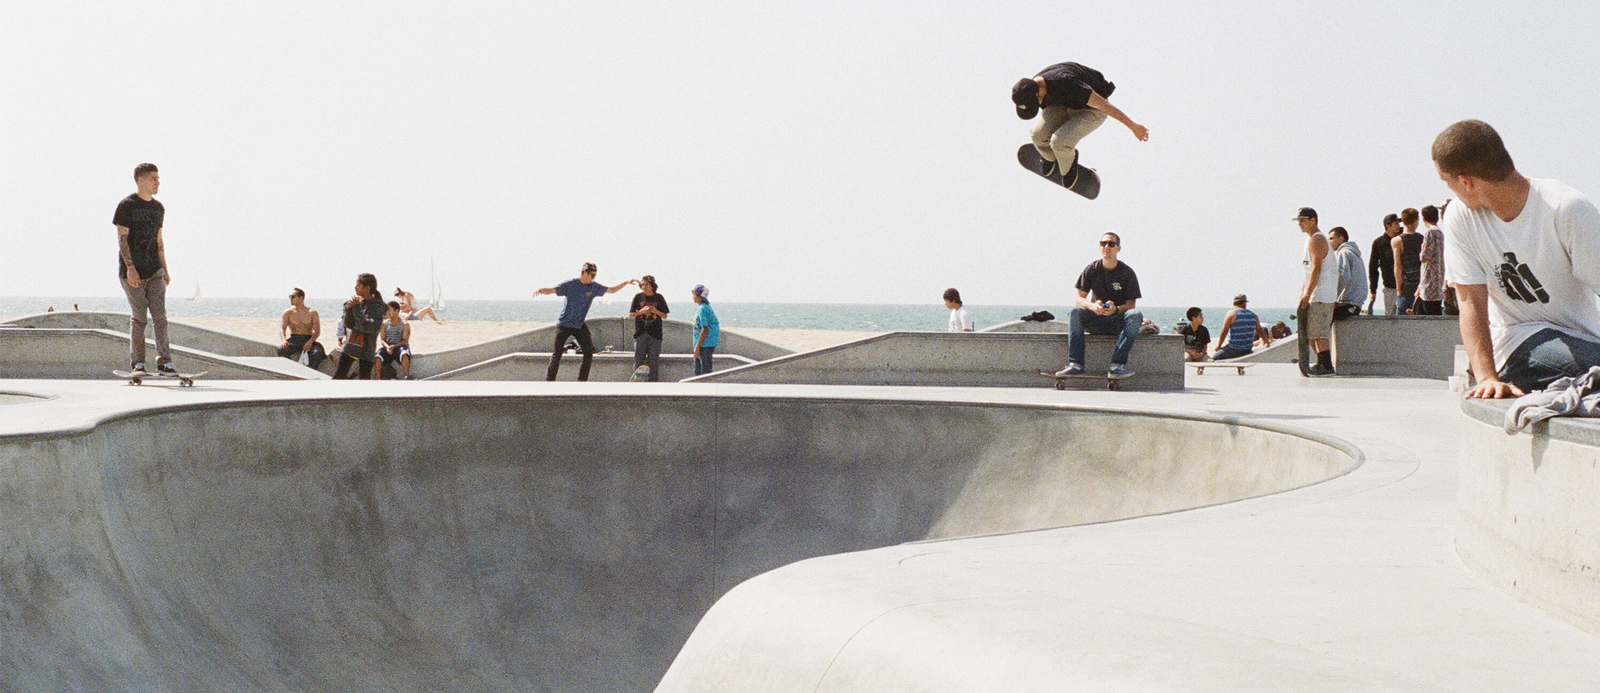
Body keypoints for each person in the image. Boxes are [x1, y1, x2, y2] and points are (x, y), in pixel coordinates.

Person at [1435, 119, 1600, 399]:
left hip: (1582, 342)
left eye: (1447, 182)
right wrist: (1487, 376)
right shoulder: (1460, 218)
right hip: (1515, 342)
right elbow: (1470, 302)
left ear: (1465, 181)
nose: (1450, 191)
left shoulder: (1566, 208)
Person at [1011, 62, 1149, 184]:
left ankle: (1068, 165)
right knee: (1037, 136)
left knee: (1059, 142)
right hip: (1065, 104)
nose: (1037, 106)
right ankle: (1050, 157)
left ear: (1040, 91)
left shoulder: (1067, 83)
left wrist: (1133, 126)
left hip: (1093, 109)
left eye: (1036, 103)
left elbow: (1104, 105)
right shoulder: (1032, 87)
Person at [114, 162, 176, 375]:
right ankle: (138, 363)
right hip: (133, 272)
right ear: (141, 180)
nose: (158, 182)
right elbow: (122, 239)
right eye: (154, 178)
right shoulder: (127, 205)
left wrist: (165, 269)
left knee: (160, 317)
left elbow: (159, 240)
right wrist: (130, 269)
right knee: (139, 317)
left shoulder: (158, 208)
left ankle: (165, 362)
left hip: (155, 270)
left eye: (158, 178)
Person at [1054, 232, 1142, 379]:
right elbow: (1079, 298)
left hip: (1116, 322)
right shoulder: (1092, 269)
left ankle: (1117, 366)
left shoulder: (1127, 273)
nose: (1106, 247)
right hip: (1095, 320)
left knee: (1135, 315)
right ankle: (1075, 364)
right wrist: (1092, 306)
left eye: (1111, 244)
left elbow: (1131, 304)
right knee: (1075, 311)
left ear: (1118, 248)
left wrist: (1116, 309)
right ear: (1099, 247)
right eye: (1103, 243)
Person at [535, 262, 635, 381]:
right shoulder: (570, 284)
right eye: (592, 275)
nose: (593, 278)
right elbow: (552, 290)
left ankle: (582, 380)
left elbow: (612, 290)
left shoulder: (593, 287)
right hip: (564, 325)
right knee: (557, 353)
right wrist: (541, 290)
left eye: (595, 276)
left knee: (588, 352)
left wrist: (626, 282)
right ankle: (550, 380)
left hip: (579, 325)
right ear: (584, 273)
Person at [1295, 207, 1337, 376]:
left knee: (1319, 333)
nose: (1300, 224)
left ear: (1313, 220)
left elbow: (1317, 269)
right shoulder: (1310, 240)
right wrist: (1303, 293)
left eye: (1303, 220)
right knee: (1312, 332)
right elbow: (1308, 271)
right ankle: (1321, 362)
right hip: (1316, 294)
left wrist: (1308, 293)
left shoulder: (1317, 240)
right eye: (1298, 220)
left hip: (1321, 294)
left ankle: (1326, 365)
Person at [333, 273, 387, 380]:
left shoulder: (378, 306)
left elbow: (366, 327)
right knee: (338, 377)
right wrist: (349, 309)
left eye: (358, 285)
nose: (355, 287)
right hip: (352, 345)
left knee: (364, 380)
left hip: (367, 348)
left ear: (367, 288)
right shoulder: (358, 303)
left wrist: (356, 308)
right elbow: (349, 324)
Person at [628, 275, 670, 382]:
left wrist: (655, 311)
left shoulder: (659, 298)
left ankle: (653, 384)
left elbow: (664, 315)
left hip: (655, 335)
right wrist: (642, 311)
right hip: (640, 334)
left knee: (654, 363)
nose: (644, 287)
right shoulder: (638, 297)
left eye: (647, 284)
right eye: (642, 284)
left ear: (652, 286)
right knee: (638, 361)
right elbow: (631, 314)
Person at [277, 288, 326, 369]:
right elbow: (282, 328)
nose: (291, 299)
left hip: (308, 338)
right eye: (290, 297)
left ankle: (311, 372)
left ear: (301, 298)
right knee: (281, 350)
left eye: (293, 297)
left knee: (317, 353)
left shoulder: (312, 312)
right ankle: (292, 370)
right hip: (294, 339)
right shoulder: (288, 313)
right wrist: (283, 340)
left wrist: (310, 342)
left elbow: (317, 331)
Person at [1213, 294, 1271, 360]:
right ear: (1244, 304)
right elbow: (1259, 330)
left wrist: (1219, 346)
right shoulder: (1253, 315)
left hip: (1234, 349)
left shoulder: (1231, 314)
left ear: (1234, 304)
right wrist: (1267, 341)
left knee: (1213, 359)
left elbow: (1224, 331)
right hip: (1247, 349)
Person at [1330, 227, 1369, 320]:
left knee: (1319, 316)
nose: (1329, 242)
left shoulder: (1343, 252)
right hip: (1356, 305)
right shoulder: (1354, 253)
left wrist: (1332, 298)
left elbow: (1343, 277)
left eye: (1331, 238)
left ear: (1340, 238)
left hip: (1348, 305)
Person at [1415, 205, 1447, 315]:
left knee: (1426, 316)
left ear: (1423, 218)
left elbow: (1424, 257)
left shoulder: (1430, 232)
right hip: (1438, 281)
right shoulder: (1440, 233)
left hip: (1429, 283)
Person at [1367, 213, 1401, 316]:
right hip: (1390, 287)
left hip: (1406, 287)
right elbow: (1373, 268)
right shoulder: (1379, 243)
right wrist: (1373, 290)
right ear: (1388, 225)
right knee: (1390, 319)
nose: (1398, 226)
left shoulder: (1403, 239)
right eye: (1396, 223)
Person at [1393, 207, 1424, 314]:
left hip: (1405, 287)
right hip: (1421, 287)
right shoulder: (1422, 239)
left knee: (1401, 324)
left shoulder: (1397, 241)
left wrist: (1398, 290)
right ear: (1415, 221)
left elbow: (1398, 266)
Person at [380, 301, 413, 380]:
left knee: (404, 354)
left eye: (389, 310)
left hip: (400, 346)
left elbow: (405, 341)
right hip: (388, 347)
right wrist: (388, 347)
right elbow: (382, 339)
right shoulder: (384, 324)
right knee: (378, 357)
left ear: (397, 311)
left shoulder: (404, 324)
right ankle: (379, 379)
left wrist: (394, 346)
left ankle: (407, 376)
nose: (387, 312)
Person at [691, 284, 720, 376]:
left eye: (694, 294)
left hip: (704, 345)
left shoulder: (703, 309)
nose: (693, 297)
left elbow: (705, 329)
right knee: (703, 370)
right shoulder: (705, 307)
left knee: (702, 373)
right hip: (705, 344)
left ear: (699, 296)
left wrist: (697, 347)